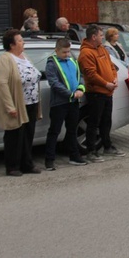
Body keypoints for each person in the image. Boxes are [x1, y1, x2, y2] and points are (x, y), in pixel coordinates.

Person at [0, 29, 42, 176]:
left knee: (28, 134)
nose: (23, 42)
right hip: (17, 103)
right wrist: (10, 106)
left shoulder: (24, 56)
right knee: (15, 135)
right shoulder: (5, 59)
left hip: (31, 101)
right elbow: (1, 83)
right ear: (12, 44)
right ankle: (12, 166)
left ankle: (27, 164)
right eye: (20, 40)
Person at [78, 24, 123, 162]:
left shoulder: (102, 49)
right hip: (96, 93)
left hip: (108, 92)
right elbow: (91, 74)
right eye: (101, 35)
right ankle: (91, 151)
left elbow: (111, 66)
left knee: (106, 121)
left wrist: (114, 78)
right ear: (93, 37)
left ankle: (107, 146)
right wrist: (105, 83)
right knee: (93, 122)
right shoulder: (86, 53)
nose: (103, 38)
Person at [44, 38, 87, 170]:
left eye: (68, 52)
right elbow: (54, 83)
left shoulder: (72, 61)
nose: (67, 54)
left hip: (73, 102)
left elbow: (79, 77)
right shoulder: (52, 63)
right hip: (59, 103)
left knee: (72, 130)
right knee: (54, 131)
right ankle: (49, 160)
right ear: (56, 50)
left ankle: (74, 156)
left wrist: (80, 88)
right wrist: (70, 93)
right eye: (64, 52)